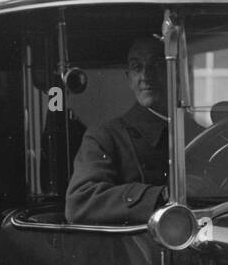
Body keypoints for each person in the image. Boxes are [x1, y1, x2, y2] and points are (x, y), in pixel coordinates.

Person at [66, 34, 201, 224]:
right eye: (137, 67)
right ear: (129, 79)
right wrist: (164, 195)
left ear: (177, 73)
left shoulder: (203, 135)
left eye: (157, 65)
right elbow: (80, 203)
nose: (146, 76)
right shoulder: (105, 137)